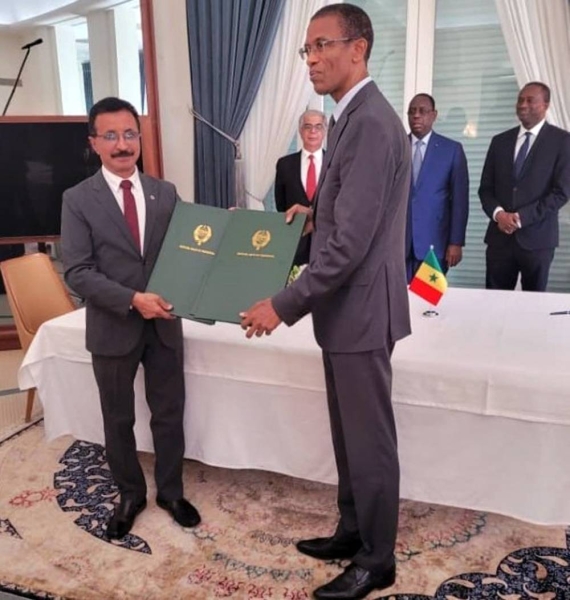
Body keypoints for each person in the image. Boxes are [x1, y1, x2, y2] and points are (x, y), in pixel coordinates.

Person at [240, 4, 411, 599]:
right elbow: (352, 213)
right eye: (305, 49)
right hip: (347, 314)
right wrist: (311, 213)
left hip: (360, 310)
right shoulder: (348, 116)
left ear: (358, 48)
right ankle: (354, 530)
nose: (310, 59)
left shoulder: (368, 122)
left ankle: (378, 559)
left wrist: (282, 304)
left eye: (321, 46)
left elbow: (347, 249)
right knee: (348, 435)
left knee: (370, 441)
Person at [60, 97, 200, 540]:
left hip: (163, 323)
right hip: (113, 326)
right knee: (117, 418)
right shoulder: (78, 199)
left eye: (130, 134)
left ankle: (172, 492)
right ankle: (129, 494)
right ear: (94, 143)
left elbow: (187, 252)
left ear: (140, 138)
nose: (123, 145)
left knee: (169, 412)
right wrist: (131, 299)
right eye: (111, 136)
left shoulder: (166, 193)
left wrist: (223, 232)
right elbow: (78, 272)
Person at [479, 82, 570, 291]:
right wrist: (499, 215)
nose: (522, 104)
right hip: (499, 239)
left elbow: (561, 192)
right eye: (520, 99)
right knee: (494, 305)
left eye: (530, 100)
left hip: (538, 240)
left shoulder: (562, 141)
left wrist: (521, 218)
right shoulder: (499, 141)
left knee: (533, 306)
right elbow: (486, 189)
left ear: (546, 105)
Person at [406, 93, 469, 282]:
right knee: (399, 303)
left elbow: (460, 201)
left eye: (422, 111)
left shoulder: (451, 150)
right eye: (412, 111)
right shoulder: (395, 146)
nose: (416, 116)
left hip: (434, 247)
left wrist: (456, 242)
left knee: (427, 303)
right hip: (398, 247)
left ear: (434, 115)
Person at [275, 109, 327, 265]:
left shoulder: (335, 164)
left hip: (326, 246)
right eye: (307, 126)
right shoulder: (285, 164)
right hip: (294, 246)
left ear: (324, 131)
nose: (313, 132)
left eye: (318, 127)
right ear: (300, 130)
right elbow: (281, 205)